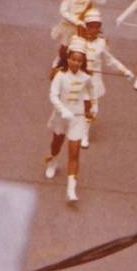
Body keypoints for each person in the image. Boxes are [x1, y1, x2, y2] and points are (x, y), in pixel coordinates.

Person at [43, 38, 96, 201]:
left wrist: (91, 108)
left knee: (74, 153)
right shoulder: (60, 75)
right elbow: (53, 95)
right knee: (56, 143)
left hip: (77, 118)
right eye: (73, 59)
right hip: (61, 116)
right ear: (68, 58)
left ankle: (71, 189)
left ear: (82, 62)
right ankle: (53, 160)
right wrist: (63, 110)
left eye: (79, 61)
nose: (76, 63)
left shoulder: (86, 77)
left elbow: (90, 93)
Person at [81, 7, 132, 136]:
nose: (93, 30)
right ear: (85, 26)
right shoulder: (78, 41)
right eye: (90, 26)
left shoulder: (101, 43)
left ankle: (85, 132)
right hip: (79, 79)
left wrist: (125, 71)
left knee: (93, 109)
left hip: (94, 82)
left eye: (96, 27)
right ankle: (78, 127)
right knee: (79, 105)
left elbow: (110, 60)